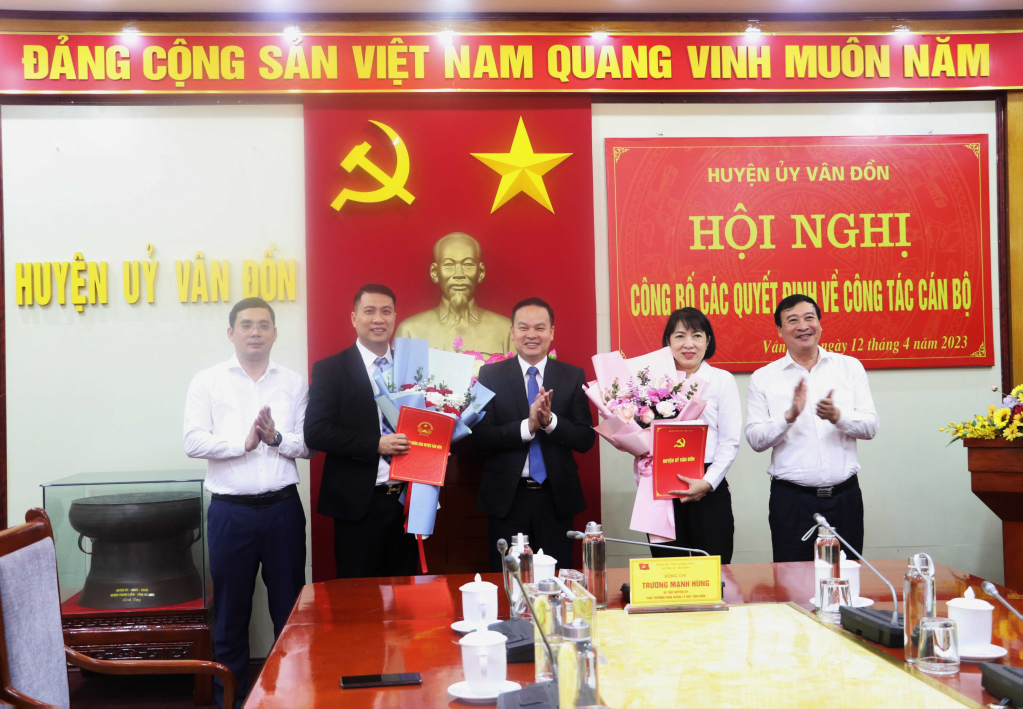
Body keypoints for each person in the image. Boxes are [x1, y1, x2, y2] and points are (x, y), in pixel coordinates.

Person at [183, 297, 311, 708]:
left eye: (263, 325)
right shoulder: (208, 381)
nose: (255, 332)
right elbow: (193, 440)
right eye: (246, 325)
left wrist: (274, 438)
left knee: (289, 610)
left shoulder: (292, 382)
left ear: (275, 332)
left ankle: (288, 698)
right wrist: (243, 444)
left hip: (282, 510)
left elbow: (307, 444)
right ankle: (231, 701)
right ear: (231, 333)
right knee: (230, 614)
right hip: (230, 513)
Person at [745, 293, 879, 562]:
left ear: (820, 324)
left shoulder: (849, 367)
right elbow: (755, 440)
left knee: (846, 578)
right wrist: (788, 416)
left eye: (809, 318)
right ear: (780, 331)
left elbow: (870, 427)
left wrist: (838, 416)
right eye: (792, 320)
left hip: (845, 497)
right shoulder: (763, 377)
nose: (803, 326)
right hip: (791, 501)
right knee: (791, 582)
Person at [304, 284, 419, 578]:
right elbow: (316, 432)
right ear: (354, 318)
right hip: (359, 505)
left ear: (395, 316)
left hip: (408, 502)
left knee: (408, 600)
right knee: (359, 603)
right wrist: (375, 444)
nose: (378, 319)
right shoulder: (331, 369)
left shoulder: (414, 366)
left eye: (385, 311)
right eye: (369, 311)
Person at [473, 297, 596, 571]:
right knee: (509, 579)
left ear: (552, 333)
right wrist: (526, 427)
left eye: (540, 328)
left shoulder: (572, 376)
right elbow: (479, 437)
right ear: (512, 332)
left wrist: (549, 421)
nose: (531, 335)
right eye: (523, 327)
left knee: (557, 579)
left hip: (556, 499)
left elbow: (585, 439)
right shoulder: (490, 375)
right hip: (507, 498)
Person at [656, 307, 740, 563]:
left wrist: (707, 482)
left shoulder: (721, 380)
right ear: (668, 342)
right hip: (663, 491)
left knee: (712, 576)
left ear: (708, 341)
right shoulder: (655, 382)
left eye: (697, 335)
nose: (688, 344)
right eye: (679, 336)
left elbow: (730, 442)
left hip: (709, 489)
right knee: (668, 579)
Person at [395, 232, 513, 355]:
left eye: (468, 265)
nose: (459, 274)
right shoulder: (409, 331)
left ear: (481, 272)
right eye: (449, 265)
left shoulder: (506, 331)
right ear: (435, 272)